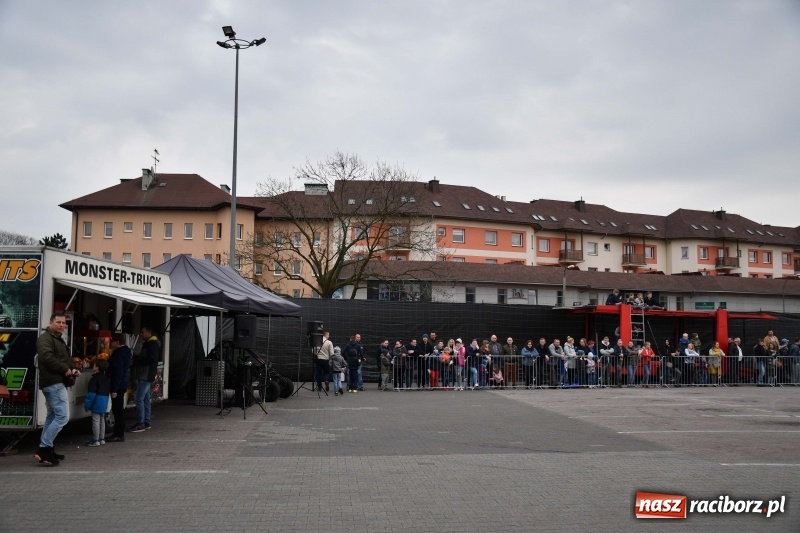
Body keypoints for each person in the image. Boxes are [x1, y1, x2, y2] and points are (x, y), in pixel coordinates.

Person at [34, 312, 79, 466]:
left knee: (52, 416)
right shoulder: (45, 339)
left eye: (63, 323)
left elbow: (64, 359)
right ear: (51, 322)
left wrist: (73, 369)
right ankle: (44, 449)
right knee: (62, 416)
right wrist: (65, 369)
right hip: (53, 383)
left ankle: (48, 449)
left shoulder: (57, 338)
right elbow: (47, 358)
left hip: (57, 382)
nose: (61, 325)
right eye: (58, 322)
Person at [130, 326, 160, 432]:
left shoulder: (151, 344)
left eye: (142, 332)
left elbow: (152, 359)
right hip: (147, 374)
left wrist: (138, 360)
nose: (140, 334)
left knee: (139, 398)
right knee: (146, 399)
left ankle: (140, 423)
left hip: (145, 375)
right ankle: (147, 422)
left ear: (148, 332)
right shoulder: (152, 343)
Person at [107, 333, 131, 442]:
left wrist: (114, 389)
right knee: (119, 409)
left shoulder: (117, 354)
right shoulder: (126, 352)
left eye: (112, 341)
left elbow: (118, 372)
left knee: (117, 410)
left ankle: (118, 434)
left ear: (117, 342)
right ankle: (118, 433)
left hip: (118, 385)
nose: (110, 343)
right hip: (123, 383)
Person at [84, 359, 111, 446]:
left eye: (94, 365)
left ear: (97, 368)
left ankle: (95, 440)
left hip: (96, 402)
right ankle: (101, 438)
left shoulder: (94, 379)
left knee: (95, 421)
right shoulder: (107, 379)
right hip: (104, 401)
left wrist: (87, 406)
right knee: (102, 420)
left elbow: (91, 395)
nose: (93, 367)